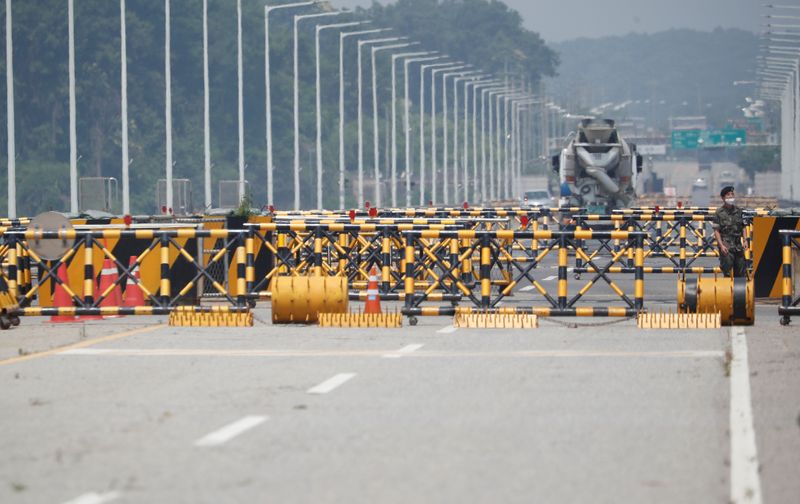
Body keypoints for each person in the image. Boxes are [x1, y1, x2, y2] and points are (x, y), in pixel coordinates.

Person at [712, 186, 746, 278]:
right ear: (723, 198)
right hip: (726, 245)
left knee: (740, 270)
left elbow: (743, 227)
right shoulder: (719, 212)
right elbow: (716, 231)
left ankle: (739, 291)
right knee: (727, 270)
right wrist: (721, 245)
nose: (731, 197)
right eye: (728, 195)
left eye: (732, 194)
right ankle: (728, 290)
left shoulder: (738, 211)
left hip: (738, 245)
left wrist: (745, 240)